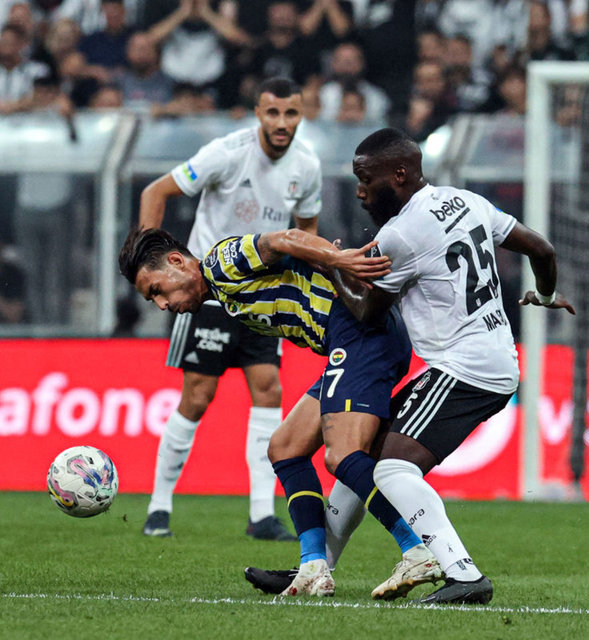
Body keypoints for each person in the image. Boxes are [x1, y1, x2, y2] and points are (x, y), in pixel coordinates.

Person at [248, 126, 575, 604]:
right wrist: (545, 295)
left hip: (465, 369)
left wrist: (331, 264)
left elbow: (366, 311)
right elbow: (542, 249)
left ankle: (463, 573)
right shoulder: (467, 201)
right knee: (362, 456)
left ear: (399, 175)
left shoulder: (400, 233)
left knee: (392, 469)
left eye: (366, 179)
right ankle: (315, 570)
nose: (360, 191)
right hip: (484, 360)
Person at [119, 225, 443, 597]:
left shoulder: (218, 263)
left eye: (157, 290)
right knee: (285, 448)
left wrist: (336, 258)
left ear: (177, 261)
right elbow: (292, 254)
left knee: (342, 455)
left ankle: (417, 549)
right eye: (153, 300)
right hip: (352, 340)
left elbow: (282, 239)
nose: (162, 304)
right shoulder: (223, 293)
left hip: (359, 333)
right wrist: (325, 258)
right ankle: (313, 566)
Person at [138, 77, 321, 541]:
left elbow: (307, 234)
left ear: (301, 115)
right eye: (273, 112)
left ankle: (261, 514)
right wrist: (147, 263)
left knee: (269, 389)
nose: (282, 123)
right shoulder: (226, 153)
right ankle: (159, 507)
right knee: (198, 396)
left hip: (262, 297)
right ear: (258, 113)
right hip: (207, 294)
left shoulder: (307, 165)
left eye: (291, 113)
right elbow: (155, 192)